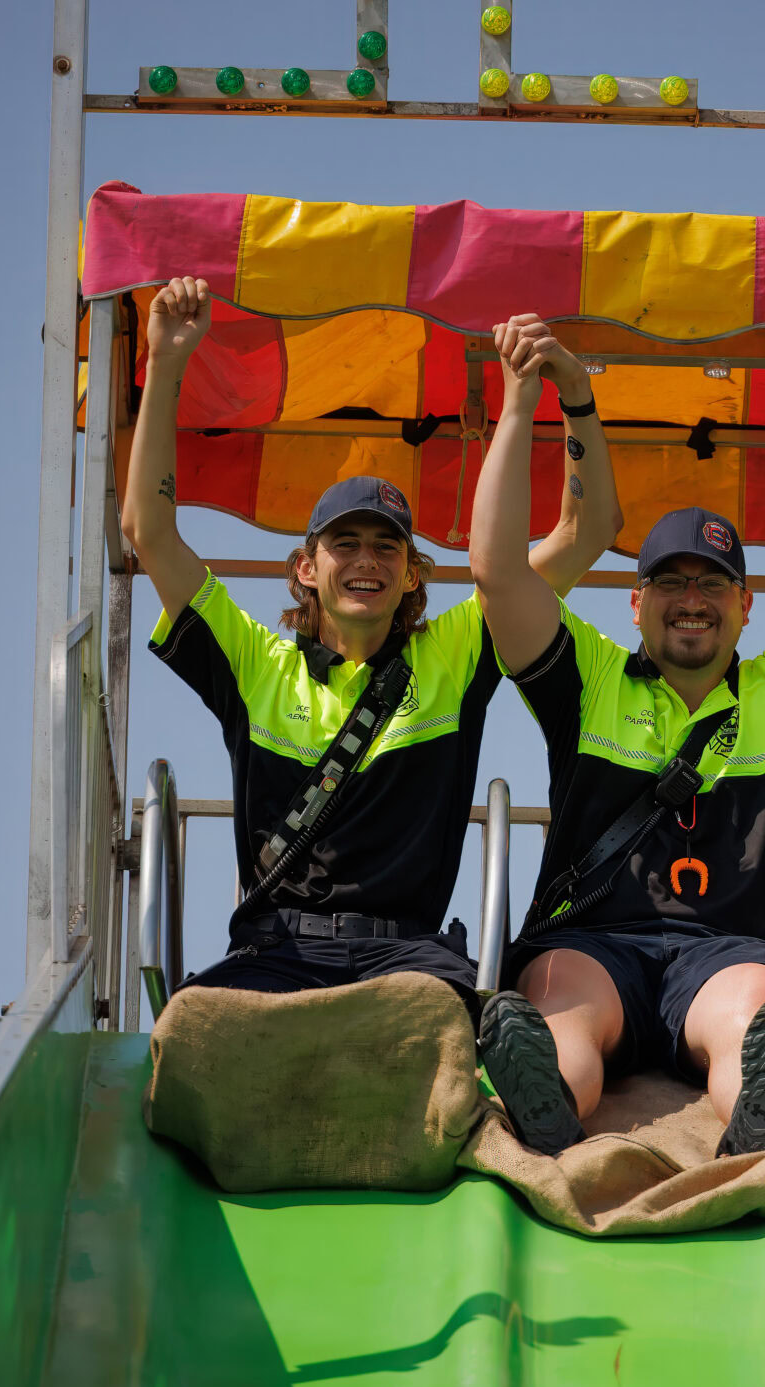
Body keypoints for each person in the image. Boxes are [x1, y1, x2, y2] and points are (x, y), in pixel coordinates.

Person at [466, 331, 765, 1157]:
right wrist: (520, 404)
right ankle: (544, 1095)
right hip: (589, 943)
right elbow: (498, 573)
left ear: (747, 605)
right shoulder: (588, 676)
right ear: (636, 602)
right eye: (672, 581)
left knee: (757, 1011)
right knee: (559, 1018)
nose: (693, 598)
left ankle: (757, 1116)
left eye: (713, 582)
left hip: (725, 955)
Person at [119, 277, 618, 1000]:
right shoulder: (256, 661)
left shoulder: (458, 648)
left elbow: (587, 531)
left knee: (471, 1027)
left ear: (414, 574)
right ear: (306, 567)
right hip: (274, 953)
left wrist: (569, 396)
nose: (365, 561)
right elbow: (149, 531)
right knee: (195, 1024)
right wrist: (165, 364)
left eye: (387, 549)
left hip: (409, 963)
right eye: (344, 543)